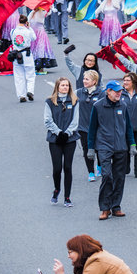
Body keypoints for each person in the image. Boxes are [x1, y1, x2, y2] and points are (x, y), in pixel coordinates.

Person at [87, 81, 136, 220]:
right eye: (116, 91)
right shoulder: (98, 106)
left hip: (121, 146)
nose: (119, 93)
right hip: (104, 146)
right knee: (107, 175)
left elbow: (128, 127)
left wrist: (132, 144)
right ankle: (104, 208)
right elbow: (92, 128)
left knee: (119, 177)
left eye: (120, 91)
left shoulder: (123, 105)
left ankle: (116, 207)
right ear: (108, 91)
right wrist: (91, 148)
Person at [46, 77, 79, 207]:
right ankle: (56, 189)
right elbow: (47, 120)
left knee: (68, 167)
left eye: (67, 85)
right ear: (57, 87)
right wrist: (58, 132)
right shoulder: (50, 102)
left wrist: (67, 133)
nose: (65, 87)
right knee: (57, 168)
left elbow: (75, 120)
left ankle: (67, 196)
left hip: (69, 139)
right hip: (55, 139)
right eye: (62, 85)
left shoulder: (75, 101)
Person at [76, 70, 102, 183]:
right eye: (84, 79)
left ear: (94, 81)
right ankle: (91, 172)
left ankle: (100, 167)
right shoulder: (78, 92)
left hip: (98, 127)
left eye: (87, 79)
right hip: (83, 127)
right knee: (87, 150)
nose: (84, 81)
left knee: (99, 149)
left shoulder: (101, 93)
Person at [11, 14, 37, 103]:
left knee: (19, 76)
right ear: (26, 22)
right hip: (27, 54)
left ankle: (21, 95)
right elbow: (34, 38)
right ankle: (30, 91)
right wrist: (29, 28)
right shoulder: (28, 31)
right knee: (30, 74)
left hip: (16, 55)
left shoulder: (13, 31)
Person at [29, 7, 57, 73]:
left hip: (40, 32)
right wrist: (34, 11)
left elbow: (47, 14)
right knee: (34, 48)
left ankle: (41, 66)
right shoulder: (32, 12)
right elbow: (28, 19)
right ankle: (35, 65)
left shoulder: (42, 11)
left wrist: (49, 9)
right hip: (33, 32)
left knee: (40, 48)